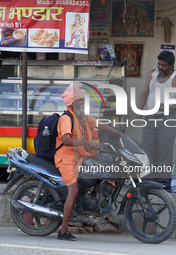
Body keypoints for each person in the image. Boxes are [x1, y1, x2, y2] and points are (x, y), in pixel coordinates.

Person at [54, 82, 124, 241]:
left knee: (103, 168)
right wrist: (88, 143)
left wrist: (119, 133)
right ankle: (63, 229)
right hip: (66, 158)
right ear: (72, 103)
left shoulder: (83, 118)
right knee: (74, 190)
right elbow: (66, 140)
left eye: (84, 101)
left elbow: (99, 124)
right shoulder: (66, 118)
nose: (83, 104)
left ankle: (90, 204)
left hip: (81, 155)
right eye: (80, 101)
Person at [137, 50, 176, 190]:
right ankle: (147, 182)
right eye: (159, 64)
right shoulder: (152, 74)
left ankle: (164, 183)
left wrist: (168, 107)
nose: (160, 67)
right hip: (150, 117)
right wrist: (140, 109)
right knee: (147, 150)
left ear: (171, 65)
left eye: (164, 65)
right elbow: (144, 93)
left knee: (165, 152)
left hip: (167, 119)